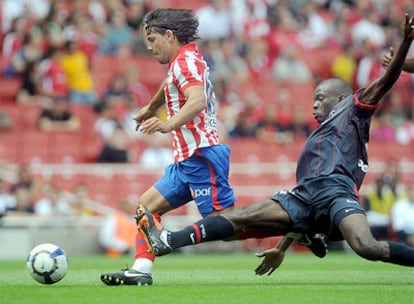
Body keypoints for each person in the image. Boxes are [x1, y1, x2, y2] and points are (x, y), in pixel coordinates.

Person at [135, 14, 414, 274]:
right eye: (314, 98)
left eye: (321, 98)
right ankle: (158, 251)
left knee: (366, 247)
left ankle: (317, 232)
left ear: (340, 100)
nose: (314, 103)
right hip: (304, 197)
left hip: (336, 194)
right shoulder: (317, 138)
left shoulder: (353, 110)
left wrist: (405, 42)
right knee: (241, 216)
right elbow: (307, 197)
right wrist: (281, 248)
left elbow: (385, 82)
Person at [99, 8, 238, 286]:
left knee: (228, 225)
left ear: (169, 35)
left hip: (202, 155)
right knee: (145, 208)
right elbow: (170, 85)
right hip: (187, 160)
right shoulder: (183, 60)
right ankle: (141, 270)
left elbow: (196, 100)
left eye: (152, 39)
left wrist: (166, 124)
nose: (149, 47)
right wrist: (150, 108)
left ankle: (291, 225)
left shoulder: (185, 62)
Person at [391, 181, 414, 247]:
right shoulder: (399, 205)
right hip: (405, 236)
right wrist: (410, 238)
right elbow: (398, 227)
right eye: (411, 190)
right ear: (407, 191)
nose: (412, 193)